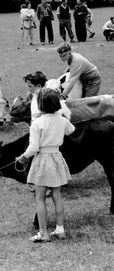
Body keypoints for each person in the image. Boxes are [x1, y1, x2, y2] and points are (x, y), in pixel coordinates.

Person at [15, 88, 75, 242]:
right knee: (57, 195)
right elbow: (71, 130)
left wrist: (22, 157)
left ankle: (43, 233)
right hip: (57, 158)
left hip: (42, 160)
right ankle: (60, 230)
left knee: (40, 197)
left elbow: (33, 147)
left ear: (40, 105)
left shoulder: (37, 123)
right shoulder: (61, 120)